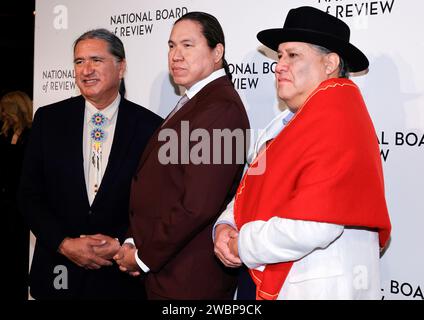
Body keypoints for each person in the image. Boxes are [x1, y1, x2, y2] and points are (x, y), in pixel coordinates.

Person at [213, 6, 392, 300]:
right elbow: (252, 186)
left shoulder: (340, 121)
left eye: (292, 55)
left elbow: (317, 223)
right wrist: (226, 225)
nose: (279, 65)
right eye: (279, 55)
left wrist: (242, 244)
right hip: (265, 272)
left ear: (330, 63)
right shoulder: (286, 124)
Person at [114, 11, 250, 299]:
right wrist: (133, 241)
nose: (176, 55)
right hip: (170, 272)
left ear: (217, 52)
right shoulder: (197, 102)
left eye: (187, 45)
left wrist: (143, 257)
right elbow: (165, 187)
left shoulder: (220, 109)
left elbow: (197, 205)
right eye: (171, 46)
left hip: (189, 281)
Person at [18, 28, 163, 299]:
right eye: (79, 62)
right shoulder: (49, 120)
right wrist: (63, 244)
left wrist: (122, 242)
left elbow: (156, 203)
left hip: (119, 278)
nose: (86, 70)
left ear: (121, 67)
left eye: (96, 60)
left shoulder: (150, 127)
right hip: (57, 274)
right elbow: (29, 195)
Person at [0, 90, 33, 300]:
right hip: (6, 202)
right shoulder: (4, 135)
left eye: (4, 109)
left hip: (24, 204)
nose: (2, 114)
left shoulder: (32, 135)